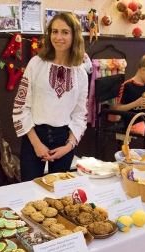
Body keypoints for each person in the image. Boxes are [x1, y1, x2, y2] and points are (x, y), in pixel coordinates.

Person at [12, 12, 88, 182]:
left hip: (64, 139)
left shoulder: (80, 73)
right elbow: (21, 106)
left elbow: (80, 115)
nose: (58, 37)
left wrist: (68, 147)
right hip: (34, 137)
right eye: (54, 31)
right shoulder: (36, 64)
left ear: (74, 36)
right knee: (29, 191)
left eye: (65, 32)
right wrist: (37, 144)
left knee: (58, 196)